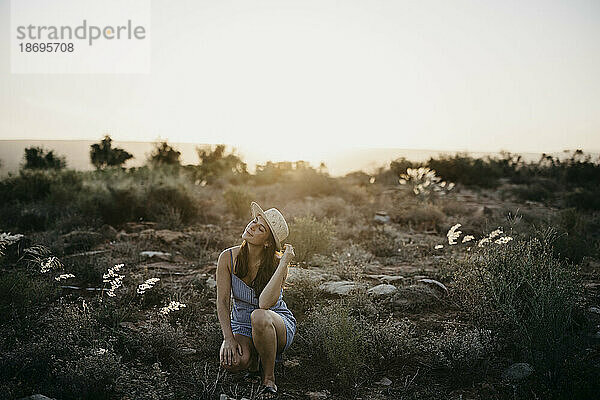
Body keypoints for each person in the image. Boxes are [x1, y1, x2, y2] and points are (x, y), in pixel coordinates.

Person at [216, 201, 297, 399]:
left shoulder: (278, 263)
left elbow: (264, 305)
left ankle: (268, 377)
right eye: (254, 221)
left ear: (268, 242)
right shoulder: (227, 257)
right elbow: (222, 301)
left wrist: (284, 262)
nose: (252, 226)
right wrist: (228, 338)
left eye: (260, 228)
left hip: (274, 322)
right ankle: (254, 360)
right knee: (232, 362)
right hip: (242, 323)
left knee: (259, 316)